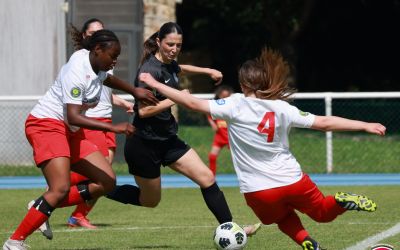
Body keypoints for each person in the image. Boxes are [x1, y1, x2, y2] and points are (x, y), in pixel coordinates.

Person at [137, 47, 386, 250]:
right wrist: (364, 125)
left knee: (278, 218)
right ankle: (340, 202)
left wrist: (153, 83)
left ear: (243, 84)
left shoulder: (234, 104)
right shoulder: (282, 108)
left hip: (258, 191)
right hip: (292, 180)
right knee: (322, 212)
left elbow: (190, 102)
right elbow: (324, 123)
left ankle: (308, 243)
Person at [3, 29, 158, 250]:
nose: (115, 60)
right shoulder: (77, 72)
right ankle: (14, 242)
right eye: (112, 56)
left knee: (106, 182)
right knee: (60, 188)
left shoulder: (95, 64)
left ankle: (41, 206)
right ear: (97, 50)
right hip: (46, 124)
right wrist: (114, 127)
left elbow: (107, 78)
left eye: (117, 56)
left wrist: (135, 91)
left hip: (69, 129)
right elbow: (73, 115)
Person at [105, 22, 260, 236]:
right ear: (159, 42)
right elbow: (143, 112)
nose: (174, 49)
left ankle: (231, 228)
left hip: (168, 140)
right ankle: (102, 188)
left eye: (178, 45)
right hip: (143, 144)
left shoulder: (169, 63)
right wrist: (177, 98)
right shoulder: (149, 71)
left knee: (206, 177)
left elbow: (180, 68)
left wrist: (207, 71)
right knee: (150, 201)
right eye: (170, 44)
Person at [65, 18, 134, 229]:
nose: (97, 34)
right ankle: (56, 193)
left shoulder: (105, 58)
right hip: (92, 120)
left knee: (105, 169)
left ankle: (78, 213)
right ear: (87, 37)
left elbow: (104, 91)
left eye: (101, 31)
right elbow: (79, 97)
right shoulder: (81, 62)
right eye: (93, 32)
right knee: (101, 172)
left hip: (106, 116)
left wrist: (122, 101)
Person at [207, 85, 233, 175]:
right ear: (219, 95)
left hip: (231, 137)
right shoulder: (216, 106)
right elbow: (208, 114)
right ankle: (212, 178)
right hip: (220, 136)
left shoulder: (232, 107)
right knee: (212, 156)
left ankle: (246, 176)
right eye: (223, 96)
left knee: (239, 159)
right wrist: (212, 123)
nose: (224, 98)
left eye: (227, 96)